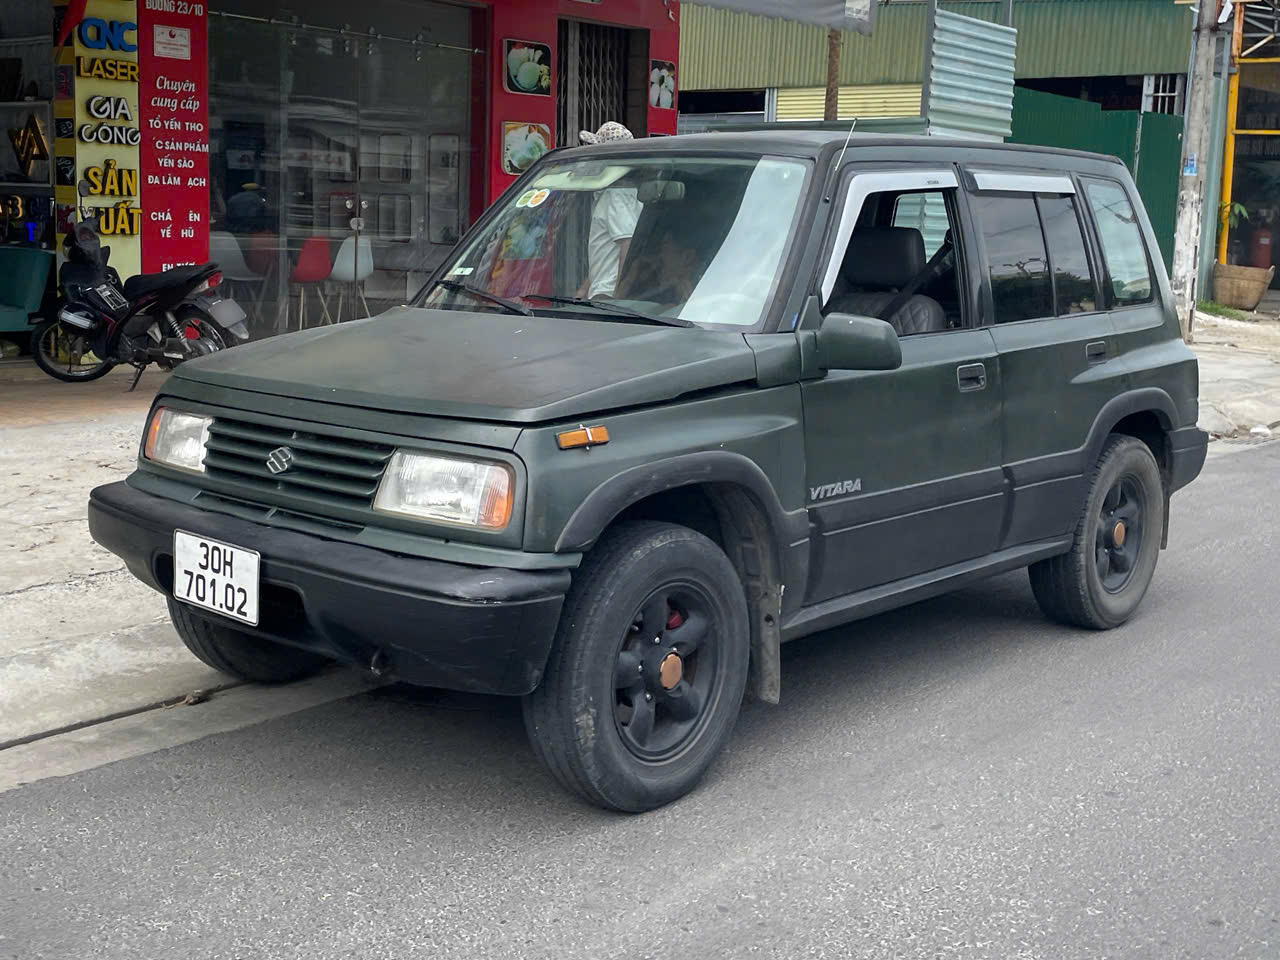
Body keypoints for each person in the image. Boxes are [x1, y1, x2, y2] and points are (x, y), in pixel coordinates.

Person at [576, 122, 642, 299]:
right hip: (600, 289)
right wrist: (585, 288)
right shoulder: (612, 193)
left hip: (607, 293)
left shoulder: (616, 195)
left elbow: (628, 245)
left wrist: (619, 293)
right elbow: (605, 253)